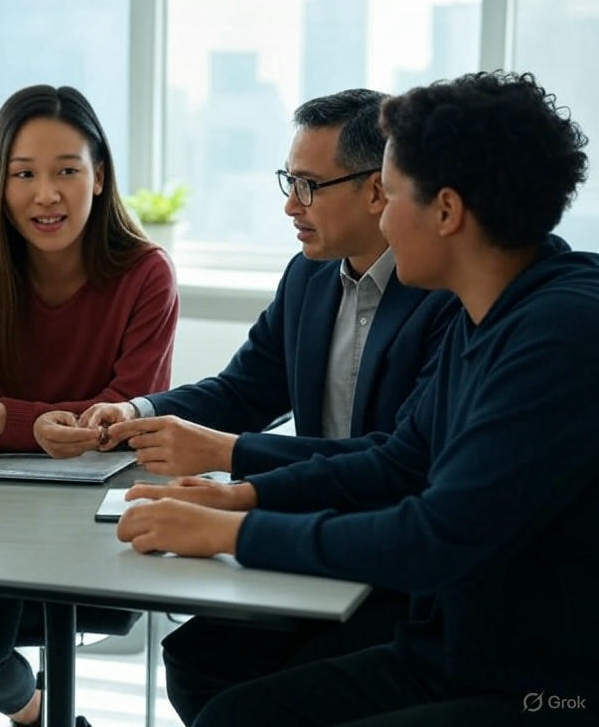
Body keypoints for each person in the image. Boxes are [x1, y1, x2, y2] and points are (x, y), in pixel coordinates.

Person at [118, 71, 597, 726]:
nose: (383, 213)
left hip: (544, 686)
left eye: (393, 195)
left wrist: (232, 531)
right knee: (234, 711)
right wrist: (242, 495)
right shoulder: (480, 312)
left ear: (448, 212)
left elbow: (435, 534)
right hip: (453, 652)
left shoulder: (560, 332)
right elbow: (400, 460)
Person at [38, 88, 459, 723]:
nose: (291, 205)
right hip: (306, 537)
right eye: (289, 181)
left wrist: (227, 455)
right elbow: (243, 390)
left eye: (310, 186)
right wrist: (133, 411)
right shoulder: (310, 275)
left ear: (378, 190)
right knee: (195, 657)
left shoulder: (444, 293)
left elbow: (400, 459)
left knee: (251, 698)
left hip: (391, 562)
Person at [0, 85, 178, 726]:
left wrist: (3, 419)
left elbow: (123, 421)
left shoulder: (147, 274)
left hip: (98, 510)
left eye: (67, 170)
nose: (46, 194)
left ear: (100, 177)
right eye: (23, 174)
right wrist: (22, 423)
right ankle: (32, 708)